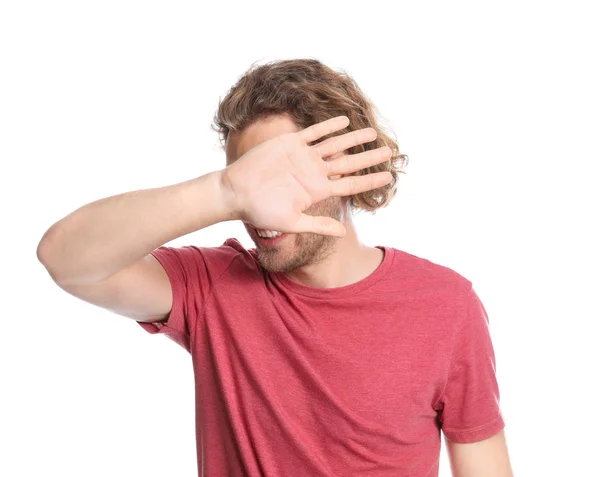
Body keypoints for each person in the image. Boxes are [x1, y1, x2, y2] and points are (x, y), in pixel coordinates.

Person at [37, 59, 513, 476]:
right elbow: (66, 261)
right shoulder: (212, 286)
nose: (260, 212)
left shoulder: (446, 305)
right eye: (249, 185)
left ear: (346, 171)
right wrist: (222, 192)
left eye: (280, 180)